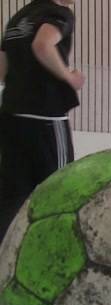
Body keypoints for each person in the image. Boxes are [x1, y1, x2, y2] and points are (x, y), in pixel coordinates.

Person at [0, 0, 84, 241]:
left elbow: (2, 67)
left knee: (12, 197)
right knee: (59, 189)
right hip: (45, 116)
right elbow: (43, 44)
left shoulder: (19, 18)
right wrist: (69, 76)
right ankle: (56, 251)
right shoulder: (58, 13)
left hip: (12, 115)